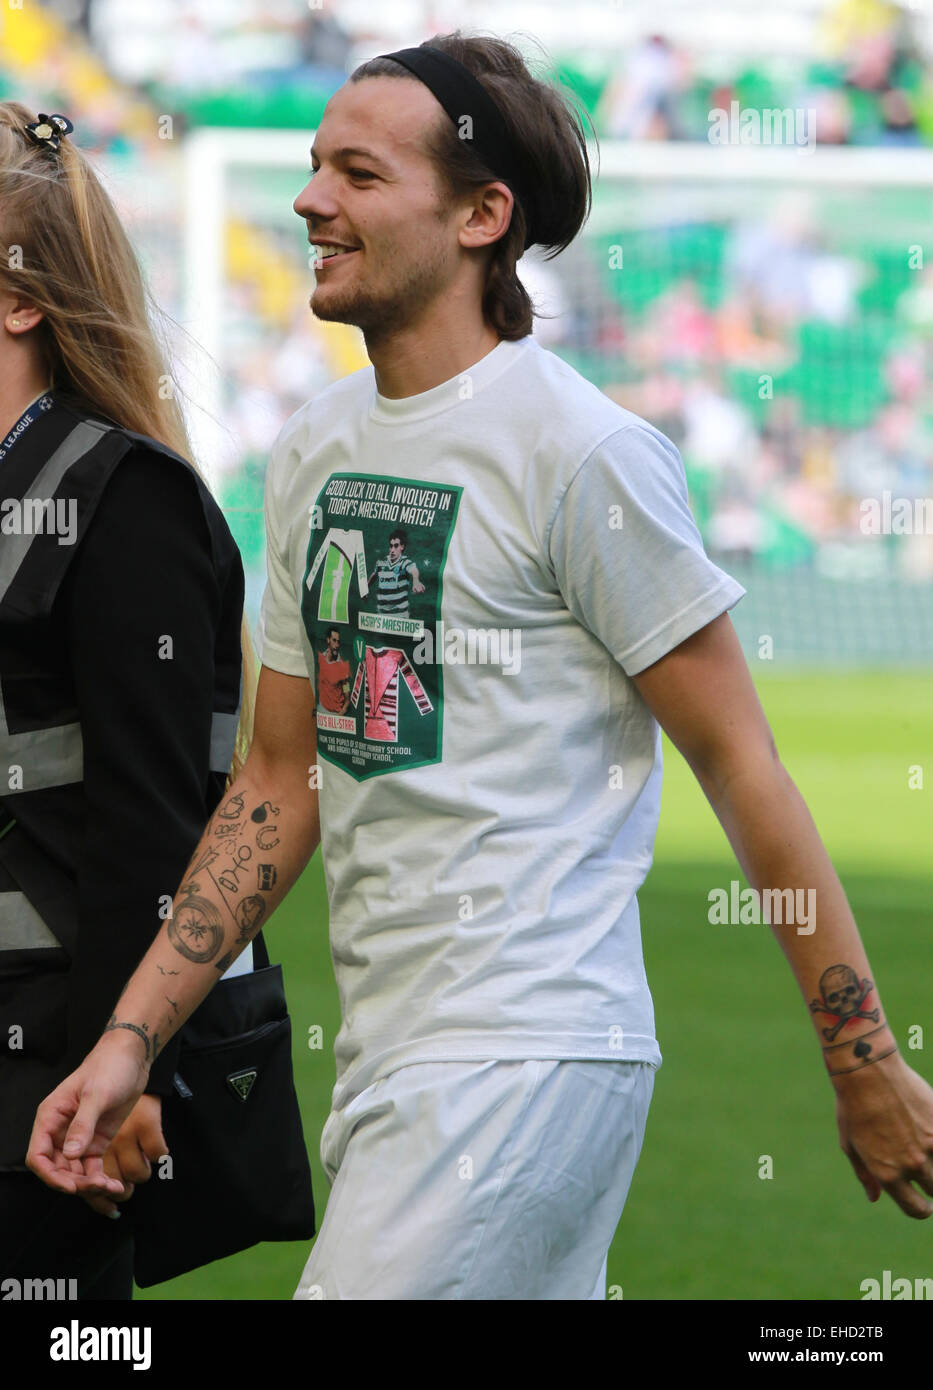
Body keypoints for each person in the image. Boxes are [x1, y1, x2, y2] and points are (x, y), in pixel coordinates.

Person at [27, 34, 933, 1301]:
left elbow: (742, 766)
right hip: (397, 1069)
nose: (309, 201)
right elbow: (280, 780)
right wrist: (133, 1037)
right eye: (310, 167)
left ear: (480, 214)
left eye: (357, 173)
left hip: (532, 1051)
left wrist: (862, 1058)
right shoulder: (311, 452)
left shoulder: (583, 454)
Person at [0, 103, 253, 1298]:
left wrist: (124, 1061)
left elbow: (151, 822)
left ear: (19, 300)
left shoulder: (123, 499)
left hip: (43, 1081)